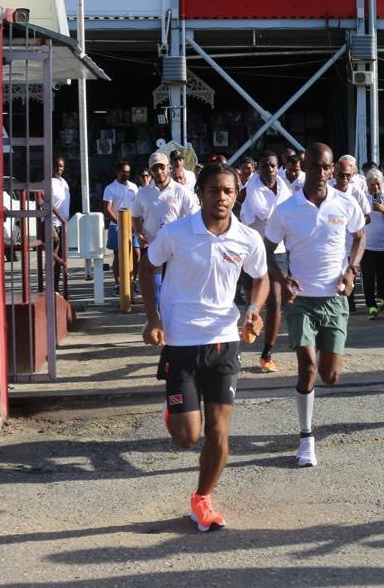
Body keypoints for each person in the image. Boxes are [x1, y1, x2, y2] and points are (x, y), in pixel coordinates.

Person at [141, 162, 269, 532]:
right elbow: (146, 268)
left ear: (237, 195)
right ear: (200, 194)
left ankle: (203, 499)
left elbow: (260, 277)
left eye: (228, 191)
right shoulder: (177, 233)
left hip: (224, 342)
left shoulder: (247, 238)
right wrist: (153, 318)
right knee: (187, 437)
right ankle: (175, 412)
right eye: (214, 190)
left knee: (218, 430)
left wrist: (254, 311)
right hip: (181, 342)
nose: (222, 197)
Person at [263, 143, 366, 468]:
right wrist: (282, 277)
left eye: (327, 168)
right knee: (307, 368)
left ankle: (324, 351)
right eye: (316, 166)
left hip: (335, 299)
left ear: (333, 169)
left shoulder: (345, 203)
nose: (322, 173)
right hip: (301, 300)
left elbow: (360, 235)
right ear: (303, 166)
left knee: (330, 376)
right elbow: (266, 248)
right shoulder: (286, 209)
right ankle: (306, 437)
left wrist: (352, 270)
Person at [240, 151, 291, 373]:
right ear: (258, 168)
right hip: (254, 250)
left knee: (276, 303)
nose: (269, 170)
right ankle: (237, 351)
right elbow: (264, 213)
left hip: (277, 250)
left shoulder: (284, 187)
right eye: (265, 166)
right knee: (253, 305)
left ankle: (267, 355)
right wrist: (282, 213)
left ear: (277, 167)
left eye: (272, 166)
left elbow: (285, 216)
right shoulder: (252, 188)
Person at [134, 152, 201, 300]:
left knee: (176, 290)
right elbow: (136, 215)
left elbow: (195, 217)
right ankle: (157, 320)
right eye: (155, 168)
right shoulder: (142, 193)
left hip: (178, 247)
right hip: (153, 246)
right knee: (156, 292)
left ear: (169, 167)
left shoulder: (182, 191)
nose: (159, 172)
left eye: (162, 167)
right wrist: (139, 232)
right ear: (150, 171)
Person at [362, 171, 384, 318]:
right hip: (366, 246)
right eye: (372, 184)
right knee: (368, 277)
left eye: (377, 184)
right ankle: (371, 306)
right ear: (367, 184)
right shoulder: (362, 197)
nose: (375, 187)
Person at [103, 160, 140, 291]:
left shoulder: (134, 187)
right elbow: (107, 209)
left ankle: (133, 281)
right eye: (123, 172)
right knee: (118, 255)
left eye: (128, 172)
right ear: (117, 172)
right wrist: (121, 222)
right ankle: (118, 283)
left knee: (136, 253)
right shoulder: (110, 188)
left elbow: (138, 206)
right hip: (116, 226)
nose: (126, 174)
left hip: (133, 226)